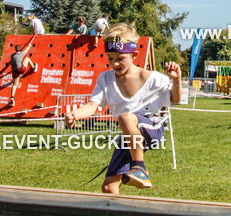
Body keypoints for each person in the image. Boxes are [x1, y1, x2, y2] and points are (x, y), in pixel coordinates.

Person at [64, 23, 181, 192]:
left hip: (152, 127)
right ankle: (115, 208)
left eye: (120, 58)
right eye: (110, 58)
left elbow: (175, 99)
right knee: (108, 187)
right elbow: (92, 105)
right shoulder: (105, 79)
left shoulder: (153, 78)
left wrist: (176, 80)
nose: (115, 64)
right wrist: (75, 114)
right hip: (129, 134)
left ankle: (140, 167)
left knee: (125, 117)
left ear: (134, 55)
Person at [0, 42, 35, 109]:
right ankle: (33, 67)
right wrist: (29, 45)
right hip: (20, 69)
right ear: (20, 49)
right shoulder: (21, 54)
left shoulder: (12, 56)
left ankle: (12, 97)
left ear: (15, 50)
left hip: (14, 70)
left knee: (14, 85)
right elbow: (26, 50)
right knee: (27, 59)